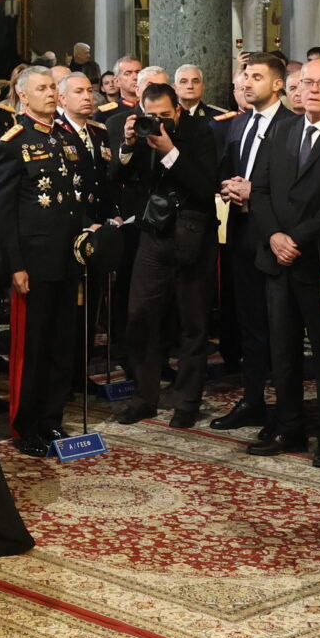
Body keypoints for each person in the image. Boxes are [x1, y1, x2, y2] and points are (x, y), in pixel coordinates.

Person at [248, 55, 320, 465]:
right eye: (305, 84)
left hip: (319, 262)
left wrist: (294, 237)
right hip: (278, 260)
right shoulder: (281, 130)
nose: (311, 90)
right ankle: (290, 427)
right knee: (282, 351)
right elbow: (258, 190)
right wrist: (274, 236)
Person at [0, 65, 96, 457]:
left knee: (60, 343)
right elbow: (3, 212)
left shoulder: (65, 138)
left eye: (53, 87)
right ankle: (25, 425)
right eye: (42, 88)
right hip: (32, 263)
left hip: (67, 258)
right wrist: (14, 265)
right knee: (30, 349)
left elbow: (76, 198)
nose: (51, 93)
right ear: (22, 96)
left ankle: (52, 418)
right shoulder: (12, 142)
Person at [112, 80, 219, 429]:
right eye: (149, 115)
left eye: (163, 115)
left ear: (177, 110)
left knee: (193, 322)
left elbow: (205, 188)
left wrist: (171, 150)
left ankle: (186, 401)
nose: (157, 122)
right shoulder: (143, 134)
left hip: (192, 236)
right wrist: (129, 145)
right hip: (152, 236)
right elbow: (120, 177)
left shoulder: (203, 131)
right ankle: (144, 397)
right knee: (140, 316)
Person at [212, 53, 286, 430]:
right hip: (243, 236)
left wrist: (254, 191)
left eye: (256, 76)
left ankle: (287, 410)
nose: (246, 82)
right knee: (250, 324)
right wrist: (229, 186)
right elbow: (229, 170)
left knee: (282, 327)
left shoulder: (292, 125)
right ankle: (253, 399)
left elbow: (295, 188)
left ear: (277, 84)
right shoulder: (238, 126)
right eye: (244, 75)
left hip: (278, 238)